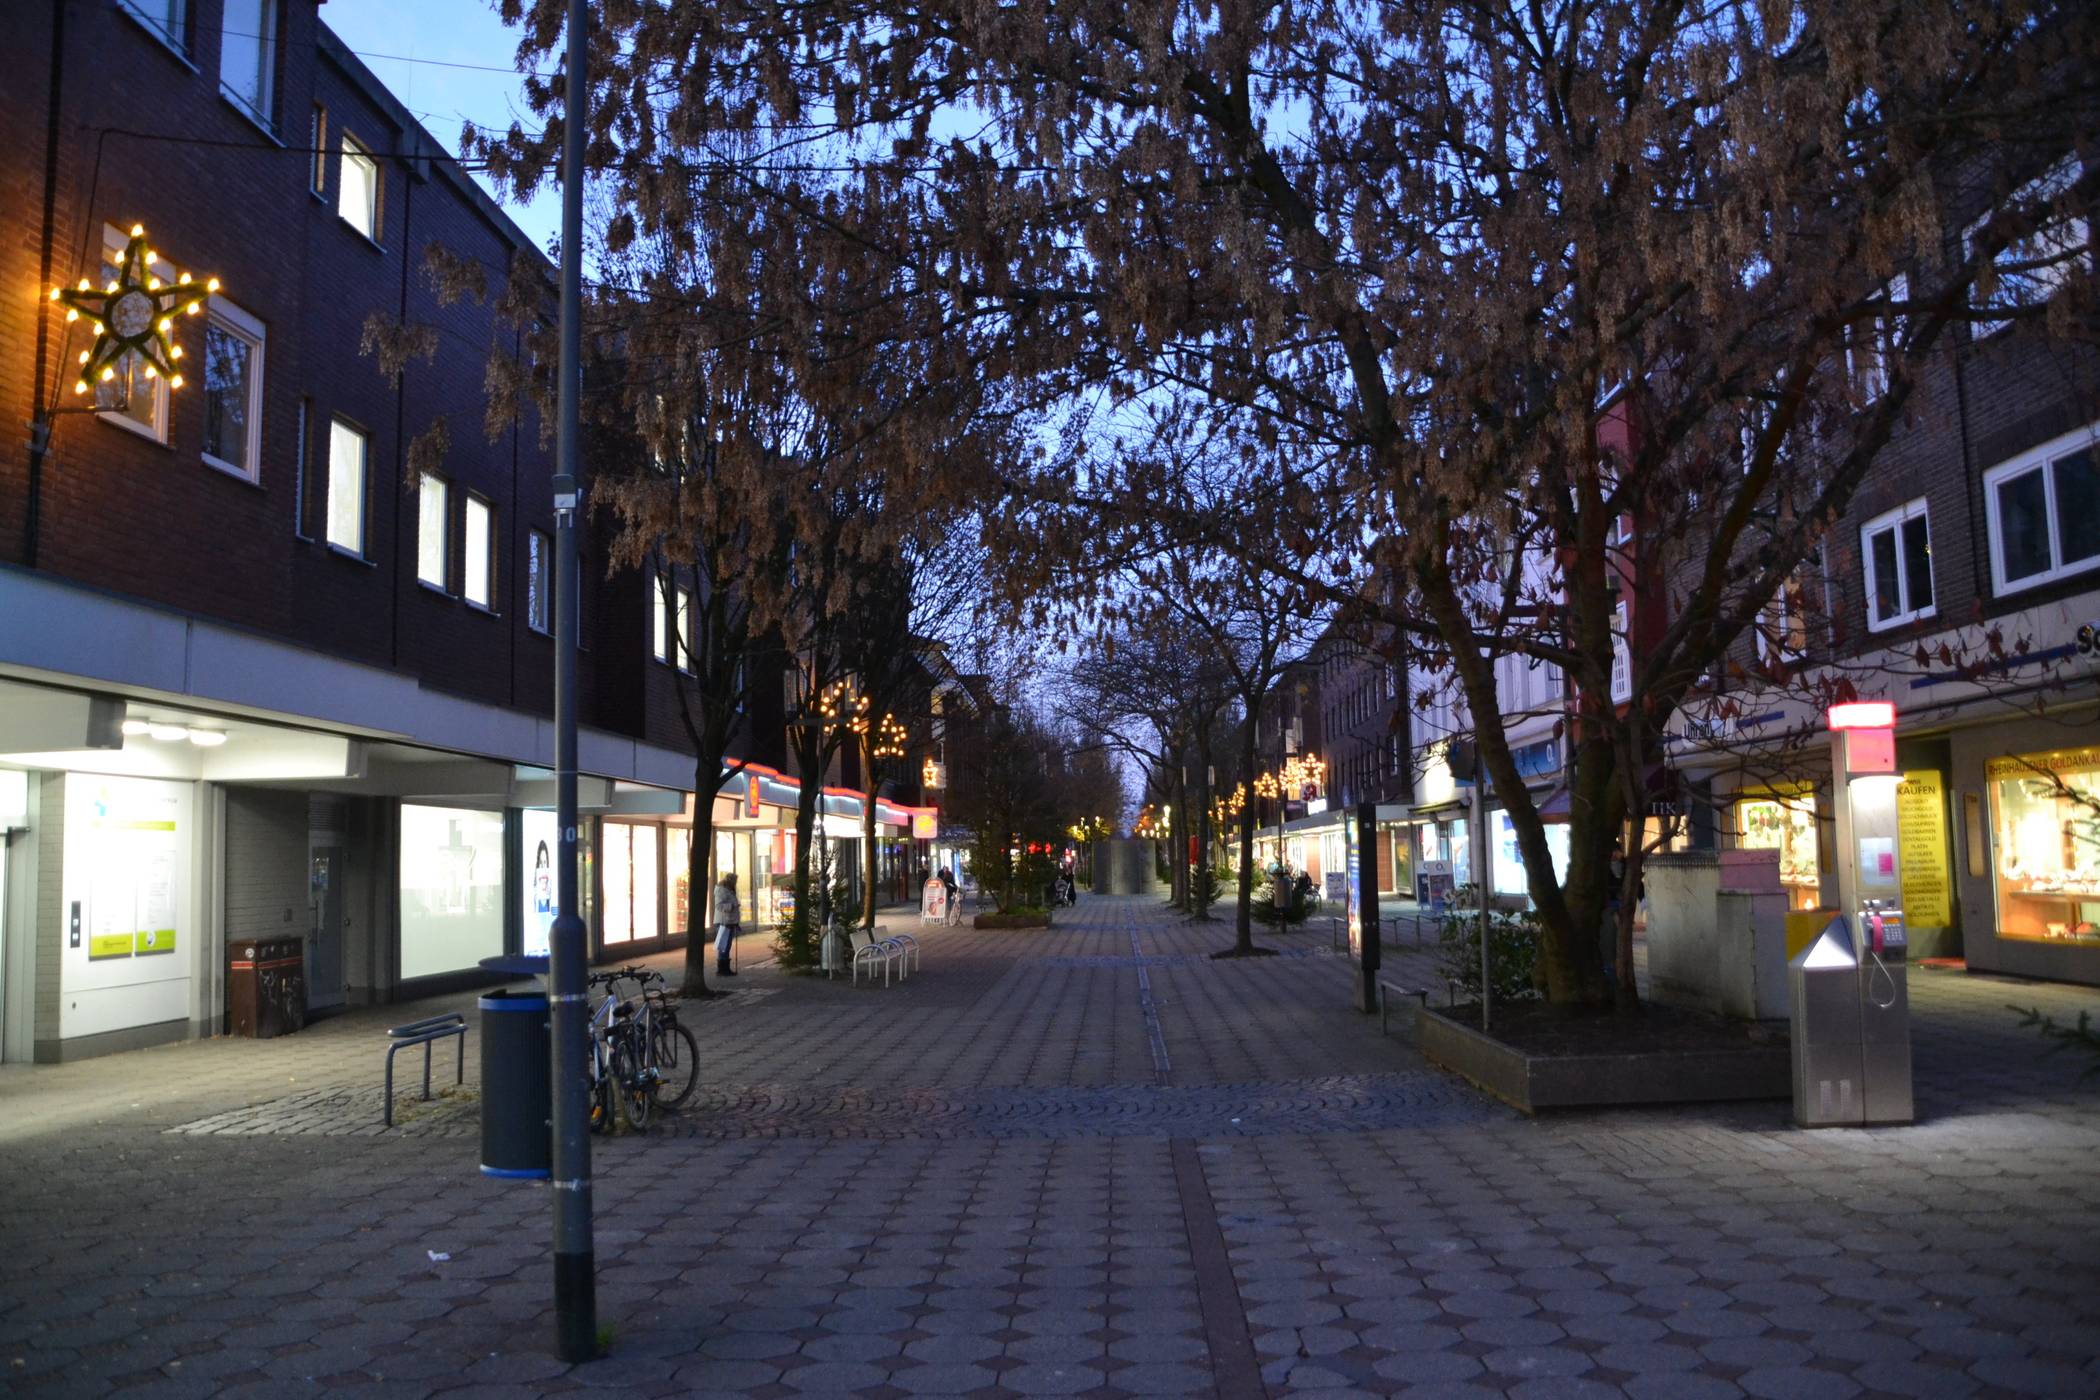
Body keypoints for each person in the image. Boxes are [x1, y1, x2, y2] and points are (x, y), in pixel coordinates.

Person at [713, 872, 741, 977]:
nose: (736, 883)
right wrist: (733, 905)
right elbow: (719, 906)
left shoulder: (729, 890)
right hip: (723, 922)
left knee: (726, 945)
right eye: (735, 881)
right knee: (723, 946)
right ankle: (722, 969)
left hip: (729, 921)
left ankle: (725, 968)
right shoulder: (722, 891)